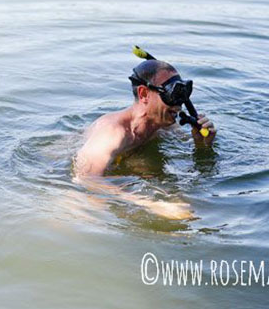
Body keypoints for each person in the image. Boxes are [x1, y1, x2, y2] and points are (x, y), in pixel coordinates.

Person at [73, 58, 216, 219]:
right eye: (172, 94)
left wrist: (202, 144)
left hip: (129, 159)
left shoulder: (166, 126)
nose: (179, 104)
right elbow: (86, 179)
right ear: (144, 94)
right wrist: (152, 204)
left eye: (183, 93)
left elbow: (199, 158)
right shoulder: (113, 133)